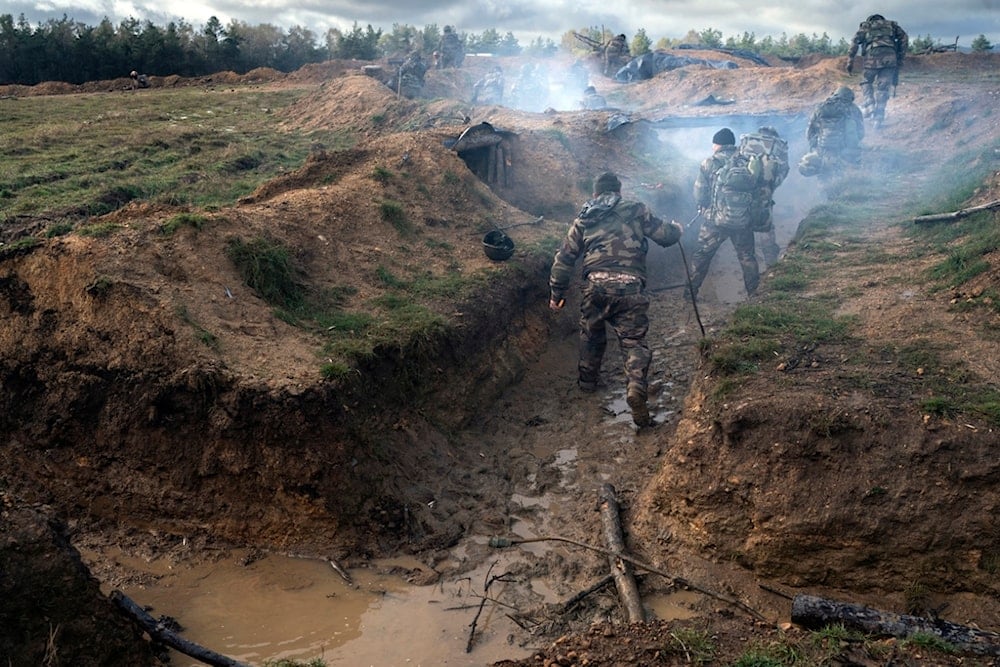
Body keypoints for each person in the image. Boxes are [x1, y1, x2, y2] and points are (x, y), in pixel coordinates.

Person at [548, 171, 683, 428]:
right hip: (630, 287)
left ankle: (587, 384)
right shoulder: (636, 209)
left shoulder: (584, 218)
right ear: (619, 192)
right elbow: (665, 236)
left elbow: (565, 258)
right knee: (633, 342)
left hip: (595, 286)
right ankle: (635, 387)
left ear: (595, 194)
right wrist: (677, 229)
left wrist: (557, 294)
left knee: (591, 335)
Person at [687, 128, 760, 301]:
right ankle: (755, 295)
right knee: (747, 257)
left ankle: (690, 294)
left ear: (717, 144)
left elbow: (700, 192)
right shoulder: (747, 162)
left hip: (715, 221)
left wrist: (702, 206)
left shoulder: (708, 163)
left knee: (702, 255)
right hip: (743, 220)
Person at [739, 126, 789, 266]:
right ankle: (771, 266)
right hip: (763, 195)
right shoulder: (778, 147)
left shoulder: (747, 143)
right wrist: (771, 187)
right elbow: (783, 171)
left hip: (742, 193)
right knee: (765, 228)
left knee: (743, 228)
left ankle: (747, 261)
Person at [847, 14, 908, 127]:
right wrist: (900, 56)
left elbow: (855, 41)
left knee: (866, 81)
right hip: (890, 58)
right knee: (883, 88)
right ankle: (878, 118)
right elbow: (904, 38)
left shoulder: (866, 26)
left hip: (872, 57)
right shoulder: (892, 25)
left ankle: (869, 105)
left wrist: (850, 60)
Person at [797, 86, 865, 178]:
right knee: (844, 168)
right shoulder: (853, 109)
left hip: (822, 147)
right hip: (843, 149)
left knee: (823, 168)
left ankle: (823, 180)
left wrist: (814, 146)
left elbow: (810, 130)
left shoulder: (821, 107)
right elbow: (861, 132)